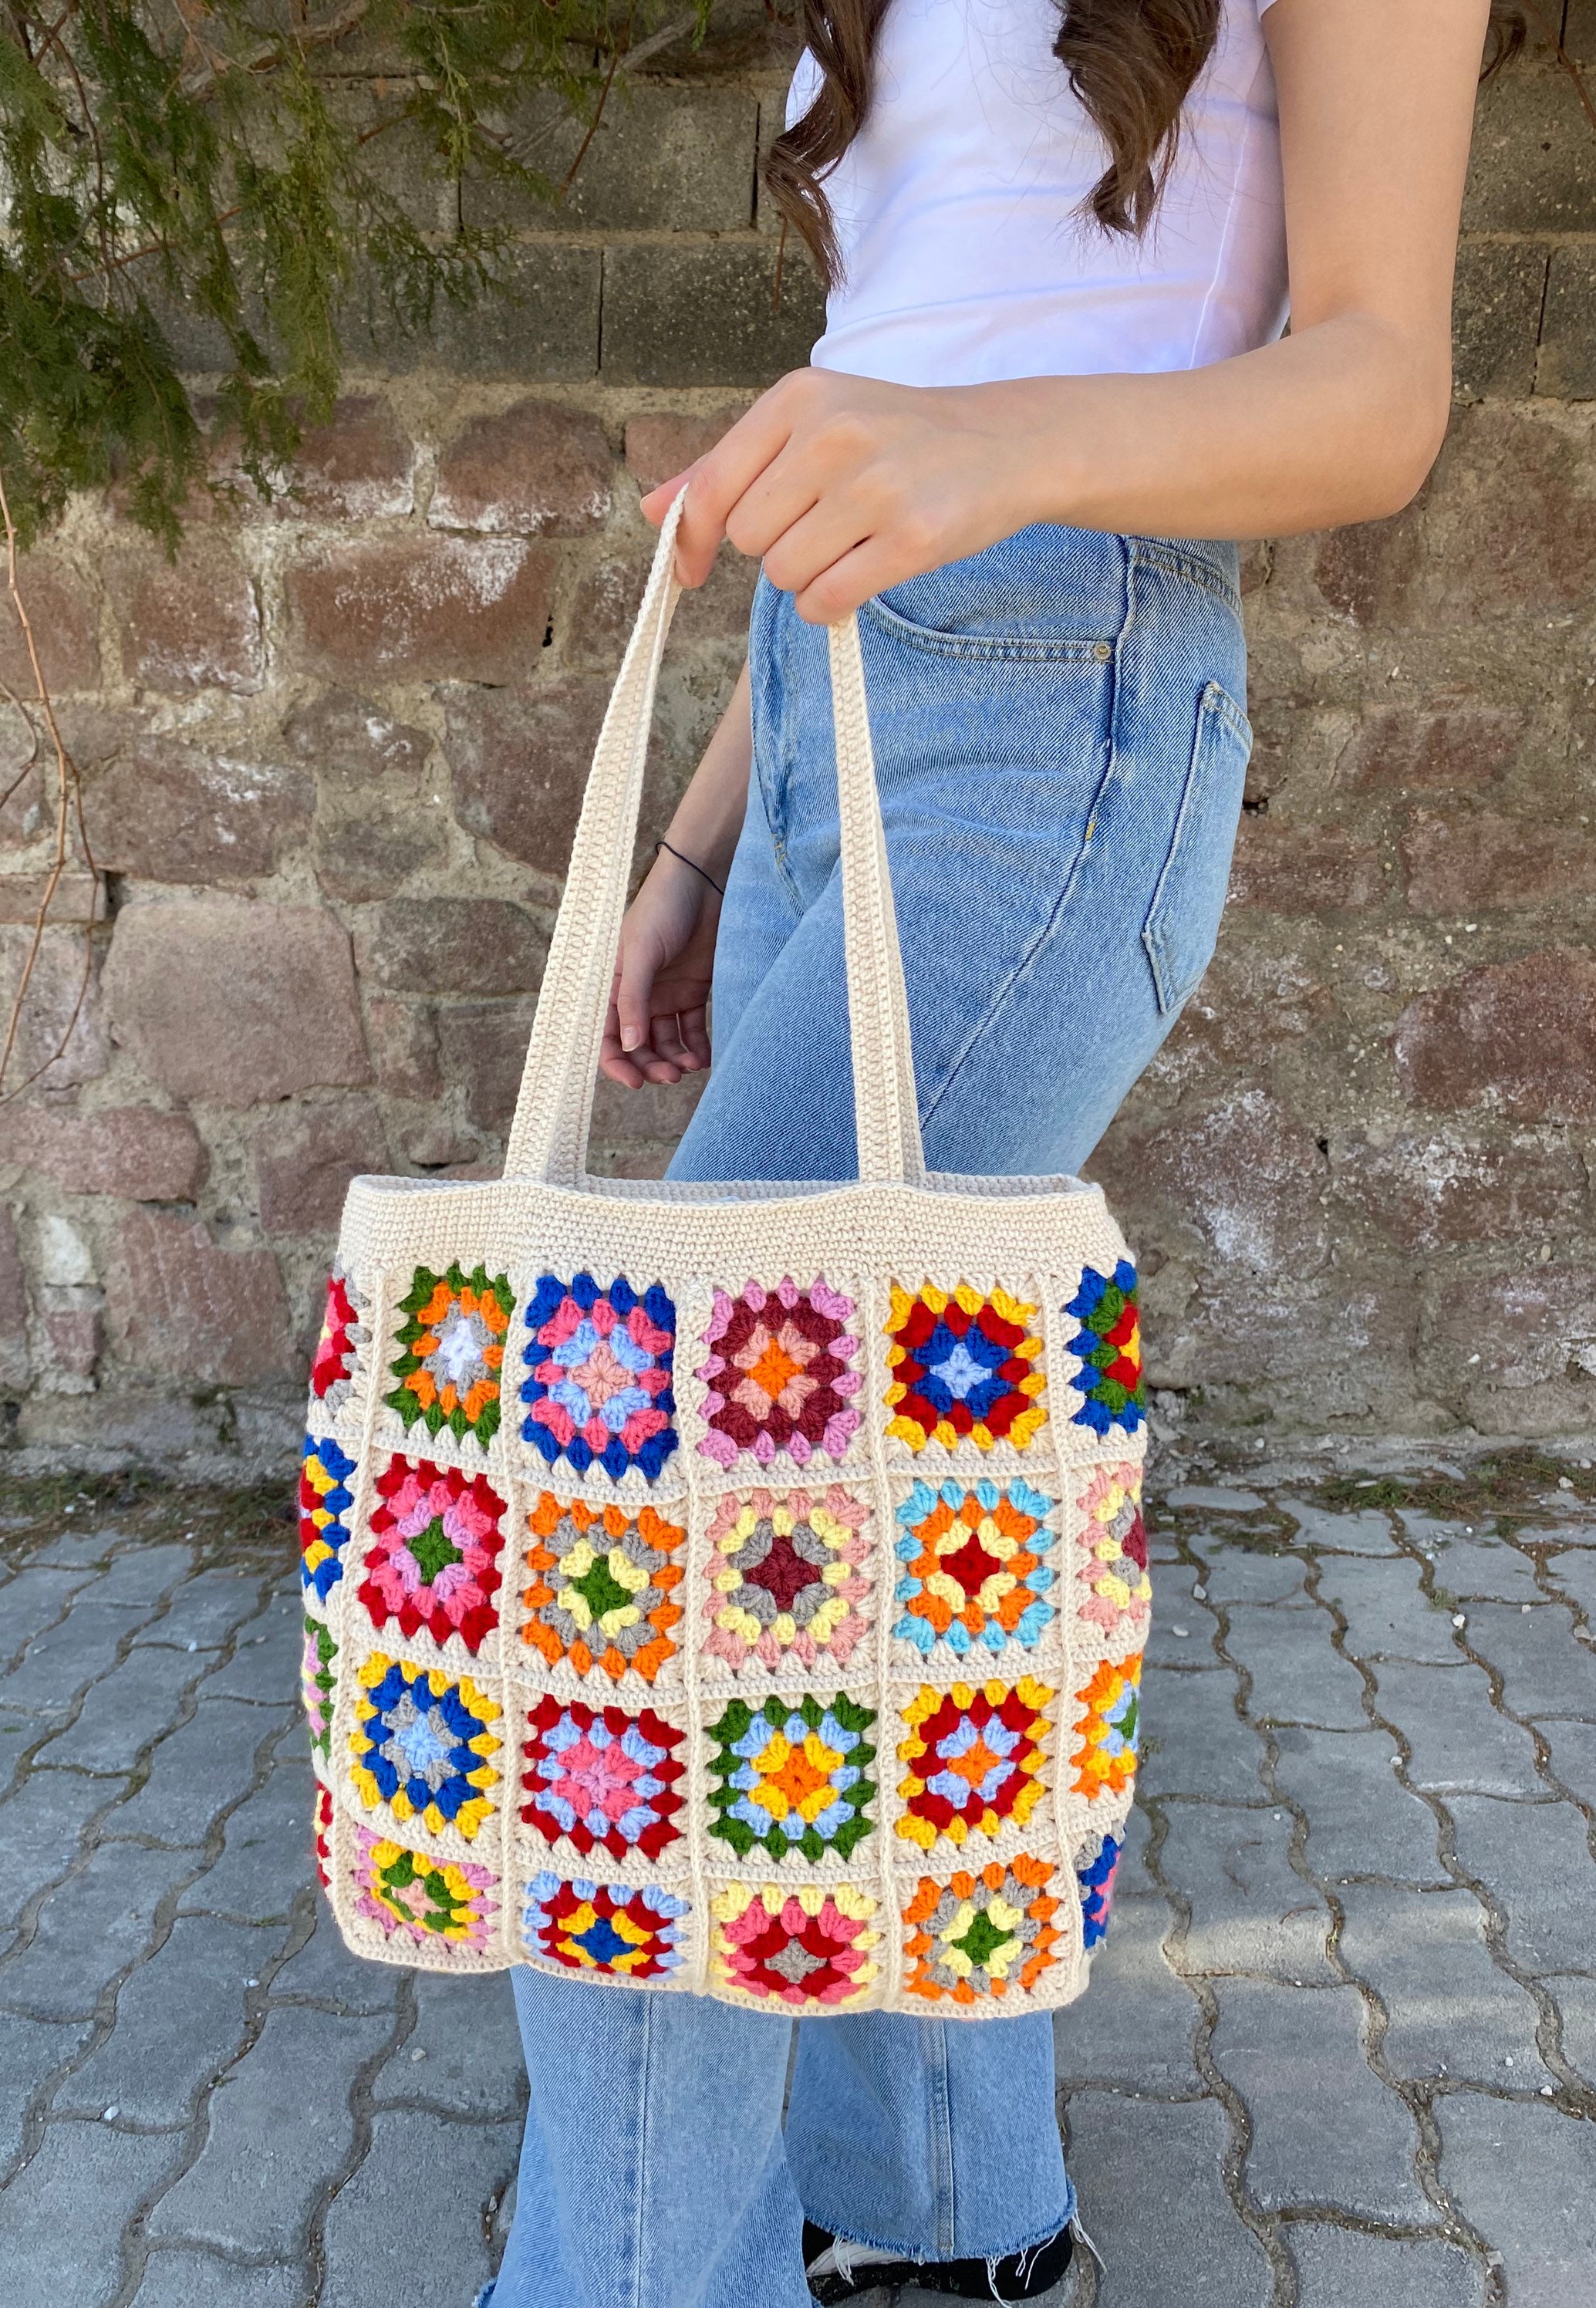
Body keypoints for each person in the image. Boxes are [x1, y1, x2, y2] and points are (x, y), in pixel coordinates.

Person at [484, 5, 1514, 2303]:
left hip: (1058, 706)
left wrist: (981, 450)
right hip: (832, 717)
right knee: (847, 1523)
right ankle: (950, 2229)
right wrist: (691, 849)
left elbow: (1373, 387)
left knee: (644, 1583)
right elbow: (877, 385)